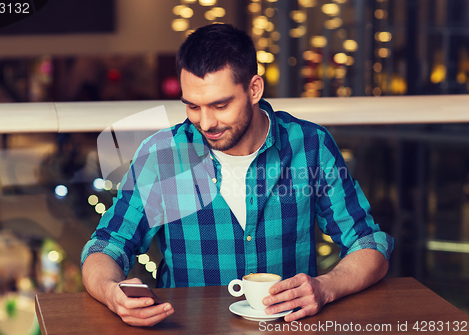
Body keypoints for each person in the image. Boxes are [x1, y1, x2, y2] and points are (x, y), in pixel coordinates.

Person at [81, 23, 394, 327]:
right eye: (193, 106)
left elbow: (367, 243)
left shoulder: (310, 146)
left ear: (254, 89)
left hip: (288, 327)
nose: (205, 123)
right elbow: (107, 244)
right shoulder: (161, 155)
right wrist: (112, 293)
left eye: (220, 105)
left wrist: (326, 288)